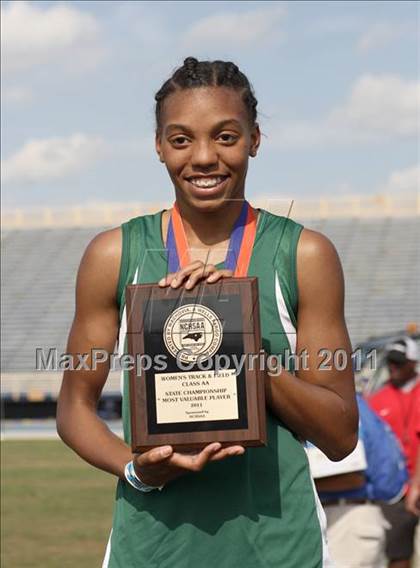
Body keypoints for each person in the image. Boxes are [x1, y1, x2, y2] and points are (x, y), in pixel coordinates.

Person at [56, 57, 358, 568]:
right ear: (158, 146)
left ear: (255, 139)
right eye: (180, 140)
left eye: (225, 136)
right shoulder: (115, 255)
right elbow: (73, 406)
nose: (203, 158)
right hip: (150, 547)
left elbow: (340, 436)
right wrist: (135, 469)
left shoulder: (304, 255)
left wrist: (245, 350)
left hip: (280, 548)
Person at [308, 393, 408, 568]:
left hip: (349, 519)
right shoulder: (354, 403)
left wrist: (294, 484)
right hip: (355, 517)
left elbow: (352, 477)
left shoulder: (341, 406)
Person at [369, 337, 420, 568]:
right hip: (396, 489)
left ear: (413, 362)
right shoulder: (377, 399)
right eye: (391, 362)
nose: (393, 367)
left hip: (415, 482)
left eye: (399, 362)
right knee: (398, 553)